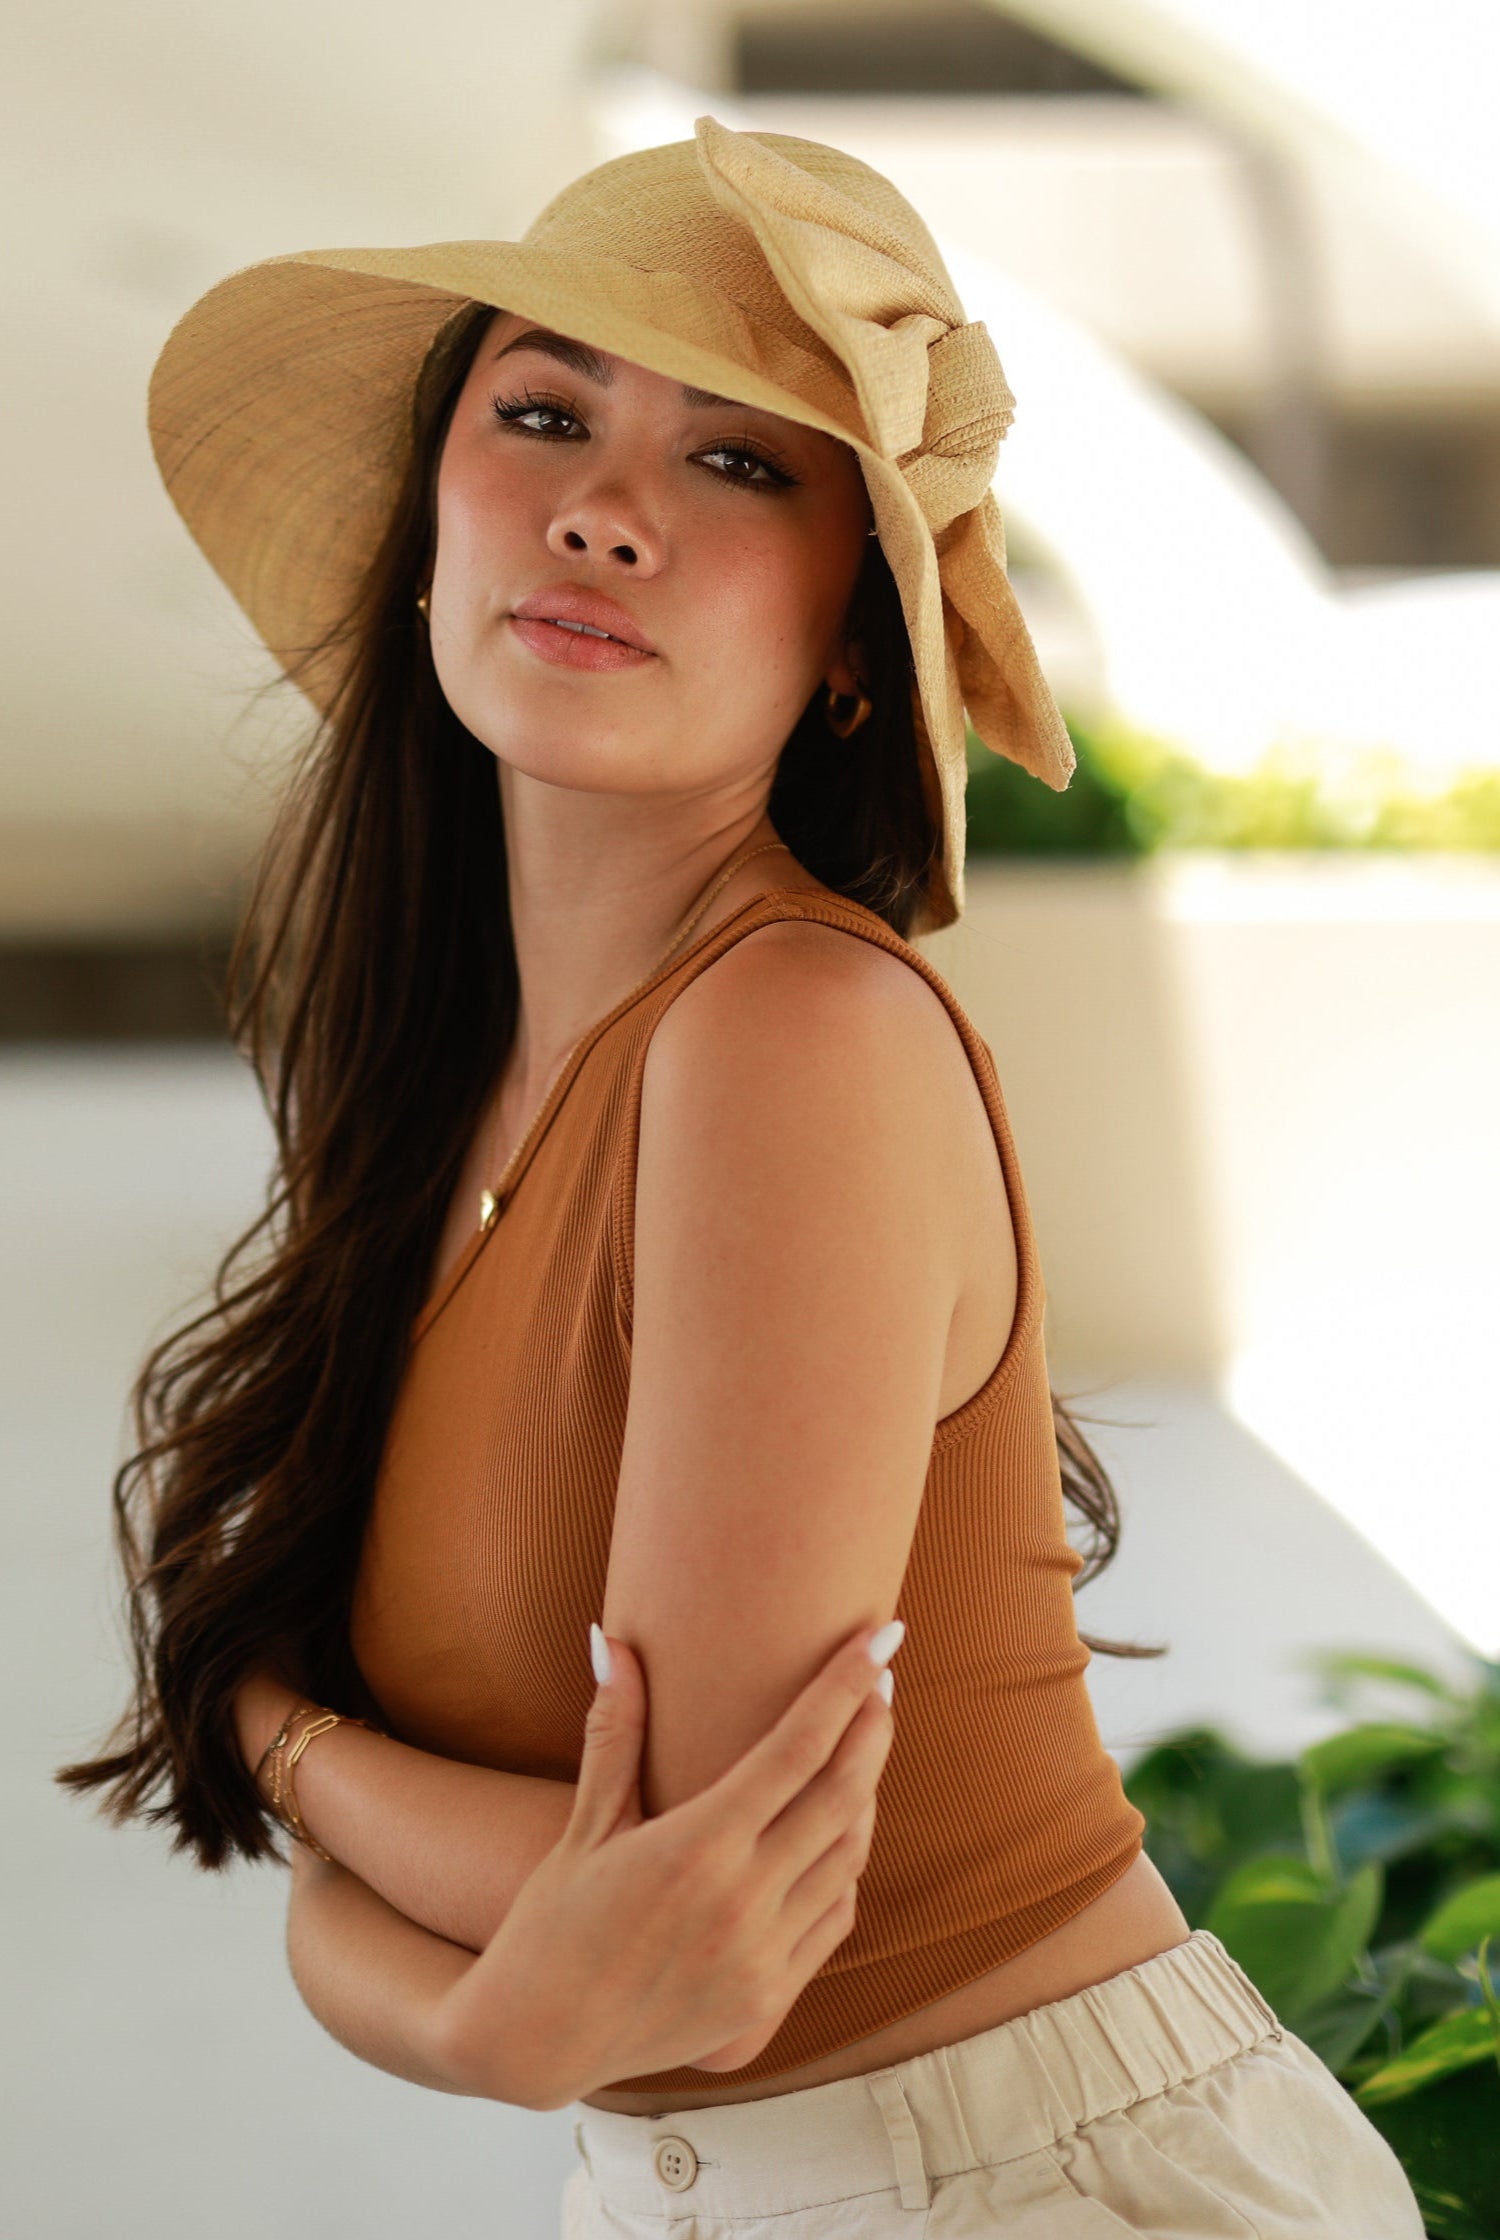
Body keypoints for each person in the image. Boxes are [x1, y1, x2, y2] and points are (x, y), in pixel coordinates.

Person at [60, 119, 1423, 2236]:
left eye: (735, 463)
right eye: (543, 413)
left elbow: (692, 1932)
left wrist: (269, 1720)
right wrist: (483, 2012)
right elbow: (556, 1969)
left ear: (857, 640)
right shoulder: (446, 1096)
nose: (603, 509)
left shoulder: (792, 1035)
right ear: (434, 520)